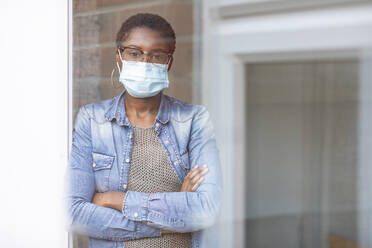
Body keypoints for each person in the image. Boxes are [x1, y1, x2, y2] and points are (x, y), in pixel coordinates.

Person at [64, 13, 222, 248]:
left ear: (168, 62)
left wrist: (115, 200)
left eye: (156, 55)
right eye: (134, 53)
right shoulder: (92, 120)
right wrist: (171, 217)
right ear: (119, 56)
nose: (145, 63)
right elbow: (74, 213)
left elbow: (206, 211)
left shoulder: (193, 120)